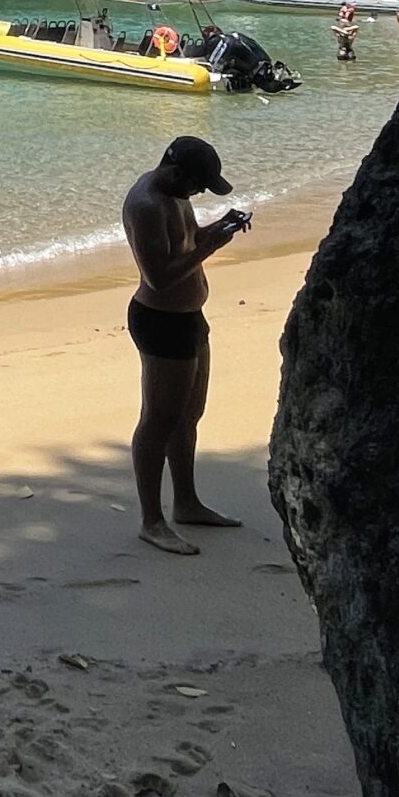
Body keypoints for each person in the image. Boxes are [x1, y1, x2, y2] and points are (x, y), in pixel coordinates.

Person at [122, 135, 251, 555]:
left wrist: (221, 227)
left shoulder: (178, 195)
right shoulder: (147, 205)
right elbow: (159, 276)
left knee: (189, 414)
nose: (198, 193)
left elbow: (190, 241)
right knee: (158, 420)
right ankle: (151, 521)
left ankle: (187, 503)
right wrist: (211, 247)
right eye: (198, 184)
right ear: (176, 173)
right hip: (160, 321)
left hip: (190, 318)